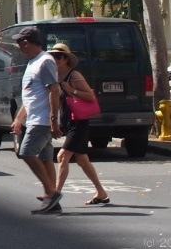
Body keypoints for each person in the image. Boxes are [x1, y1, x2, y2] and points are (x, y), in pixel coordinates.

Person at [9, 27, 63, 215]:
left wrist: (53, 120)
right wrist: (18, 119)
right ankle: (52, 200)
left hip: (42, 120)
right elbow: (31, 95)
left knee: (26, 153)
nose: (19, 47)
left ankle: (51, 193)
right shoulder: (33, 62)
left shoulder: (45, 61)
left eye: (19, 43)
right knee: (46, 158)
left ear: (26, 42)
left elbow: (54, 90)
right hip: (35, 118)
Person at [50, 43, 110, 206]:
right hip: (69, 122)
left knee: (62, 156)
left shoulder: (74, 75)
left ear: (65, 59)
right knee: (82, 160)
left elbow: (90, 97)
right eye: (53, 56)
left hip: (79, 122)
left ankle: (55, 194)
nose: (54, 59)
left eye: (58, 56)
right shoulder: (55, 76)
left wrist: (71, 89)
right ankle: (101, 192)